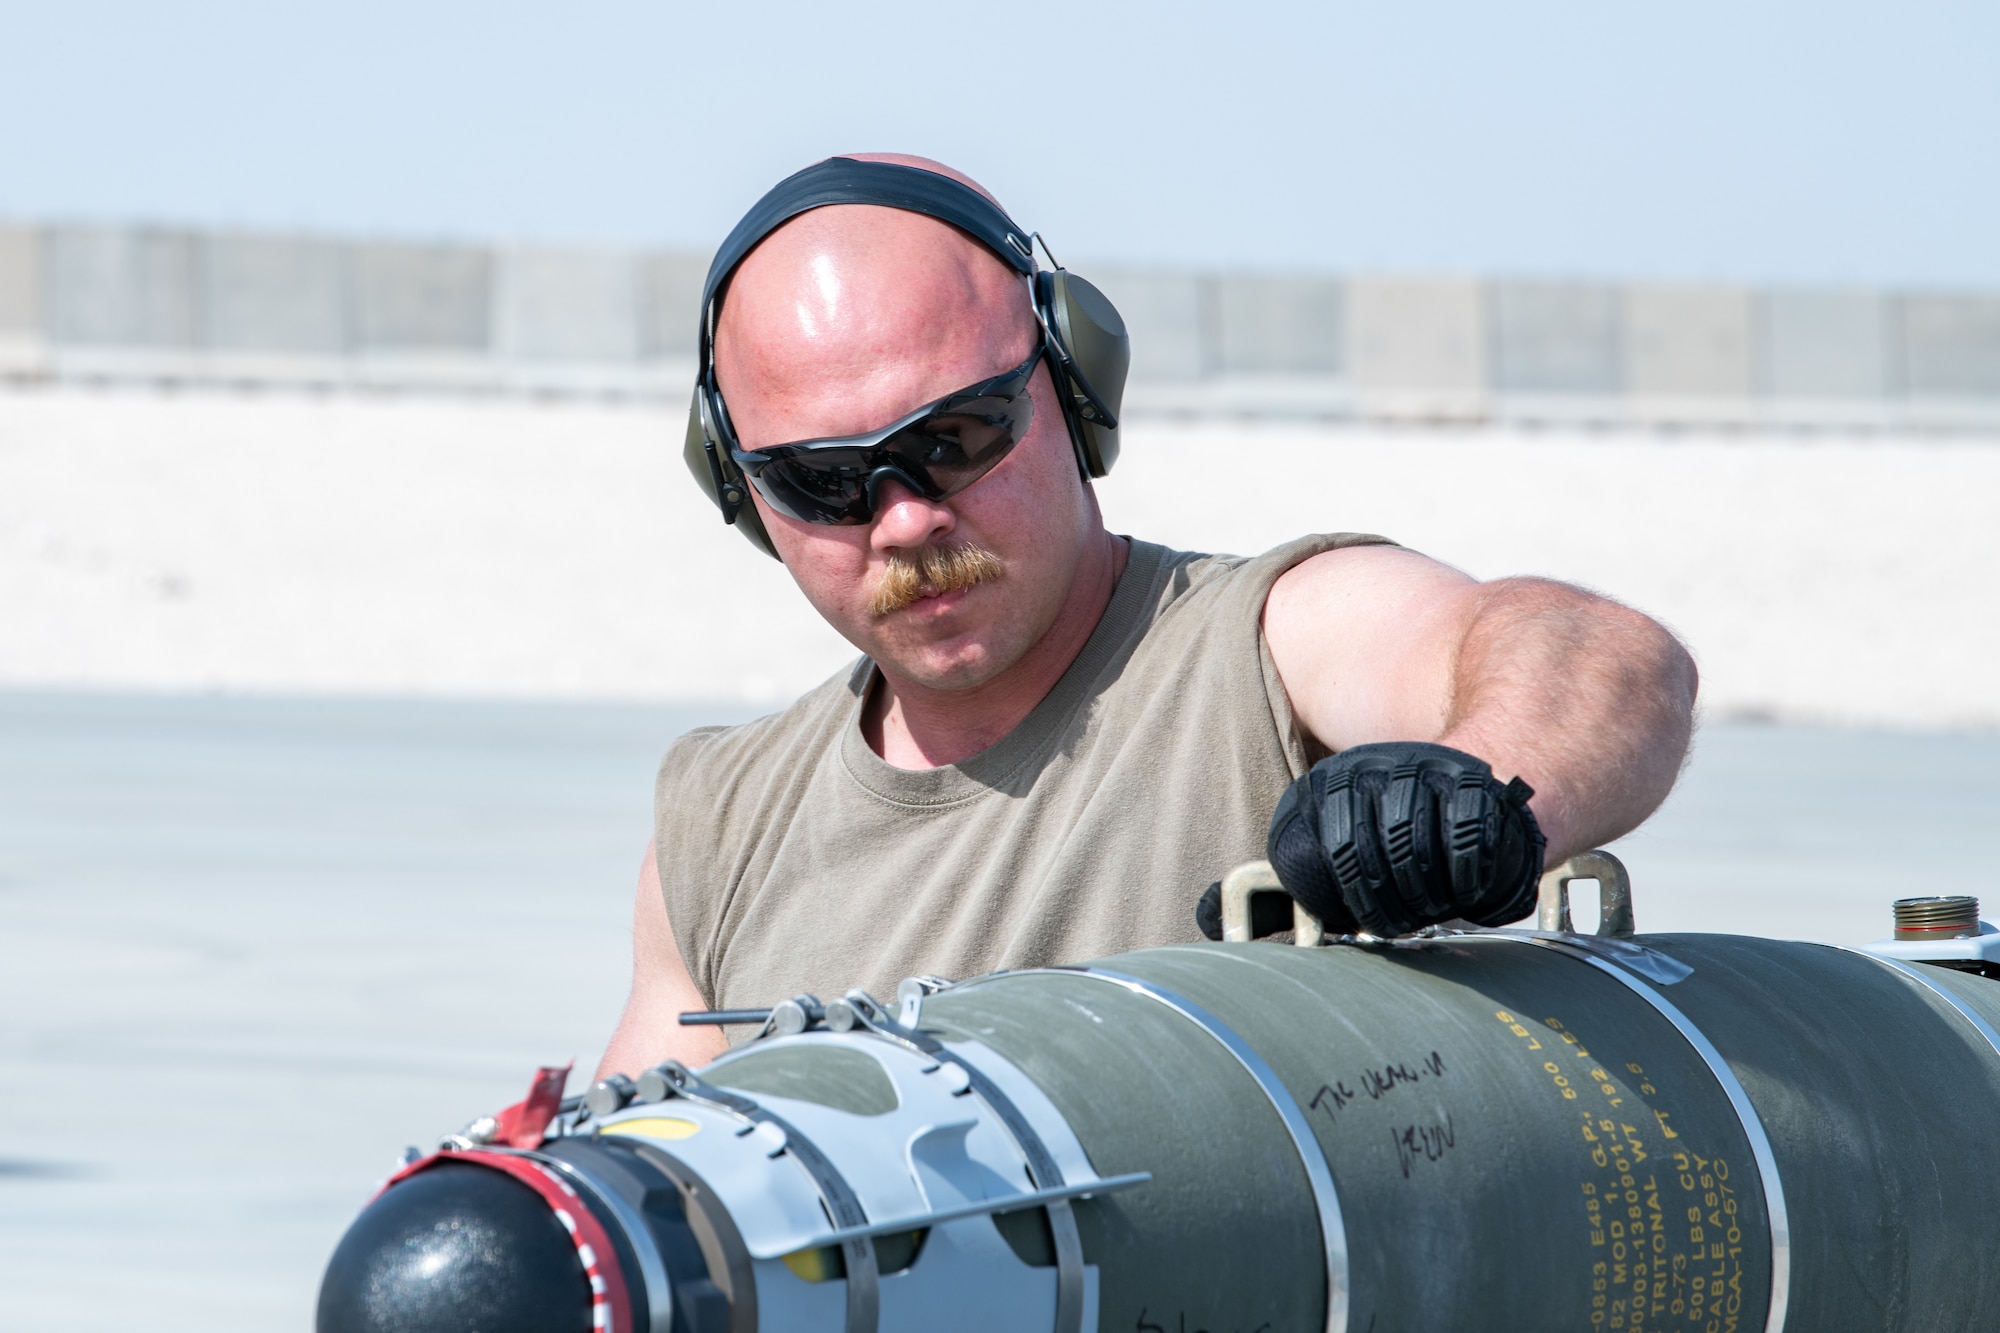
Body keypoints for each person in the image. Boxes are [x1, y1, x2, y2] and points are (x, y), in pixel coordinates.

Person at [596, 154, 1696, 1077]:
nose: (902, 521)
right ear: (740, 496)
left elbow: (1597, 659)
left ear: (1072, 384)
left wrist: (1468, 794)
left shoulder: (1260, 652)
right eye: (822, 481)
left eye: (956, 437)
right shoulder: (719, 832)